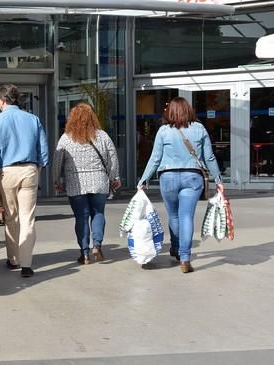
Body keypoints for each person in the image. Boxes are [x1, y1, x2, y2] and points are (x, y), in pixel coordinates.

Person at [138, 97, 224, 273]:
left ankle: (176, 248)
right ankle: (185, 258)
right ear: (188, 111)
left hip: (167, 177)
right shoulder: (199, 128)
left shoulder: (163, 131)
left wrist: (143, 180)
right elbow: (209, 157)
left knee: (174, 216)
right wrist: (218, 180)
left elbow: (155, 158)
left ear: (170, 112)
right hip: (192, 177)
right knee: (186, 216)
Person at [0, 84, 48, 278]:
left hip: (8, 172)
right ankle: (27, 264)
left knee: (12, 218)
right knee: (28, 218)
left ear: (2, 100)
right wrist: (37, 169)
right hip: (29, 169)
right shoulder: (33, 119)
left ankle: (14, 259)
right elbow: (43, 151)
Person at [52, 103, 121, 264]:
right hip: (99, 182)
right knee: (98, 213)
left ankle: (84, 253)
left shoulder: (66, 138)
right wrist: (114, 176)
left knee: (81, 217)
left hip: (76, 184)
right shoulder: (102, 136)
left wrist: (57, 180)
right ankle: (97, 245)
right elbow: (113, 157)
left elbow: (57, 161)